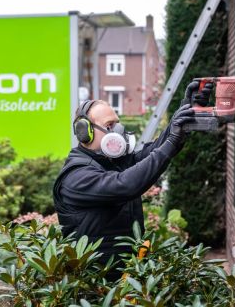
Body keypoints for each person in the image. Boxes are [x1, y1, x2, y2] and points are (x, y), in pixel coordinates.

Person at [52, 81, 212, 280]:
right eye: (109, 126)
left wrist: (185, 116)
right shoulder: (76, 177)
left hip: (128, 275)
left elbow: (152, 153)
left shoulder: (112, 162)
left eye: (117, 123)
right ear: (85, 132)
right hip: (95, 283)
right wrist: (171, 141)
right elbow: (126, 184)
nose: (118, 130)